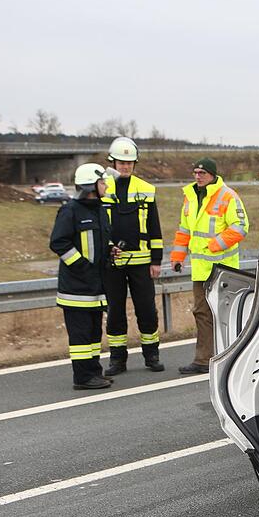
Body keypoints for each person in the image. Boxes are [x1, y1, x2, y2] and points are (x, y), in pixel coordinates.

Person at [170, 158, 249, 374]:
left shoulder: (227, 196)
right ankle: (204, 360)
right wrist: (178, 256)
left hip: (223, 270)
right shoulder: (190, 198)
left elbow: (241, 227)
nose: (197, 176)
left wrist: (213, 245)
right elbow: (184, 231)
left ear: (212, 175)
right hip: (200, 270)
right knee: (202, 313)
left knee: (226, 315)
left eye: (202, 173)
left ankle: (235, 357)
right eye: (195, 172)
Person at [49, 164, 119, 390]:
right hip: (76, 288)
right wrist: (81, 266)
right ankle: (82, 378)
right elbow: (59, 242)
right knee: (80, 337)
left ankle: (94, 373)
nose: (106, 185)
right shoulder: (70, 210)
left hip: (96, 288)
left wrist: (110, 250)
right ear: (91, 186)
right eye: (102, 182)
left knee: (93, 334)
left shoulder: (99, 209)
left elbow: (100, 241)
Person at [102, 136, 164, 375]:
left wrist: (156, 260)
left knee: (146, 309)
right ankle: (117, 360)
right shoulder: (102, 187)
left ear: (134, 164)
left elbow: (154, 228)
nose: (125, 166)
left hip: (142, 263)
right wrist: (107, 248)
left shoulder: (146, 189)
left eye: (129, 163)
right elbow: (98, 225)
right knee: (115, 311)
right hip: (113, 262)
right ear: (113, 163)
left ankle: (152, 355)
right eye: (121, 163)